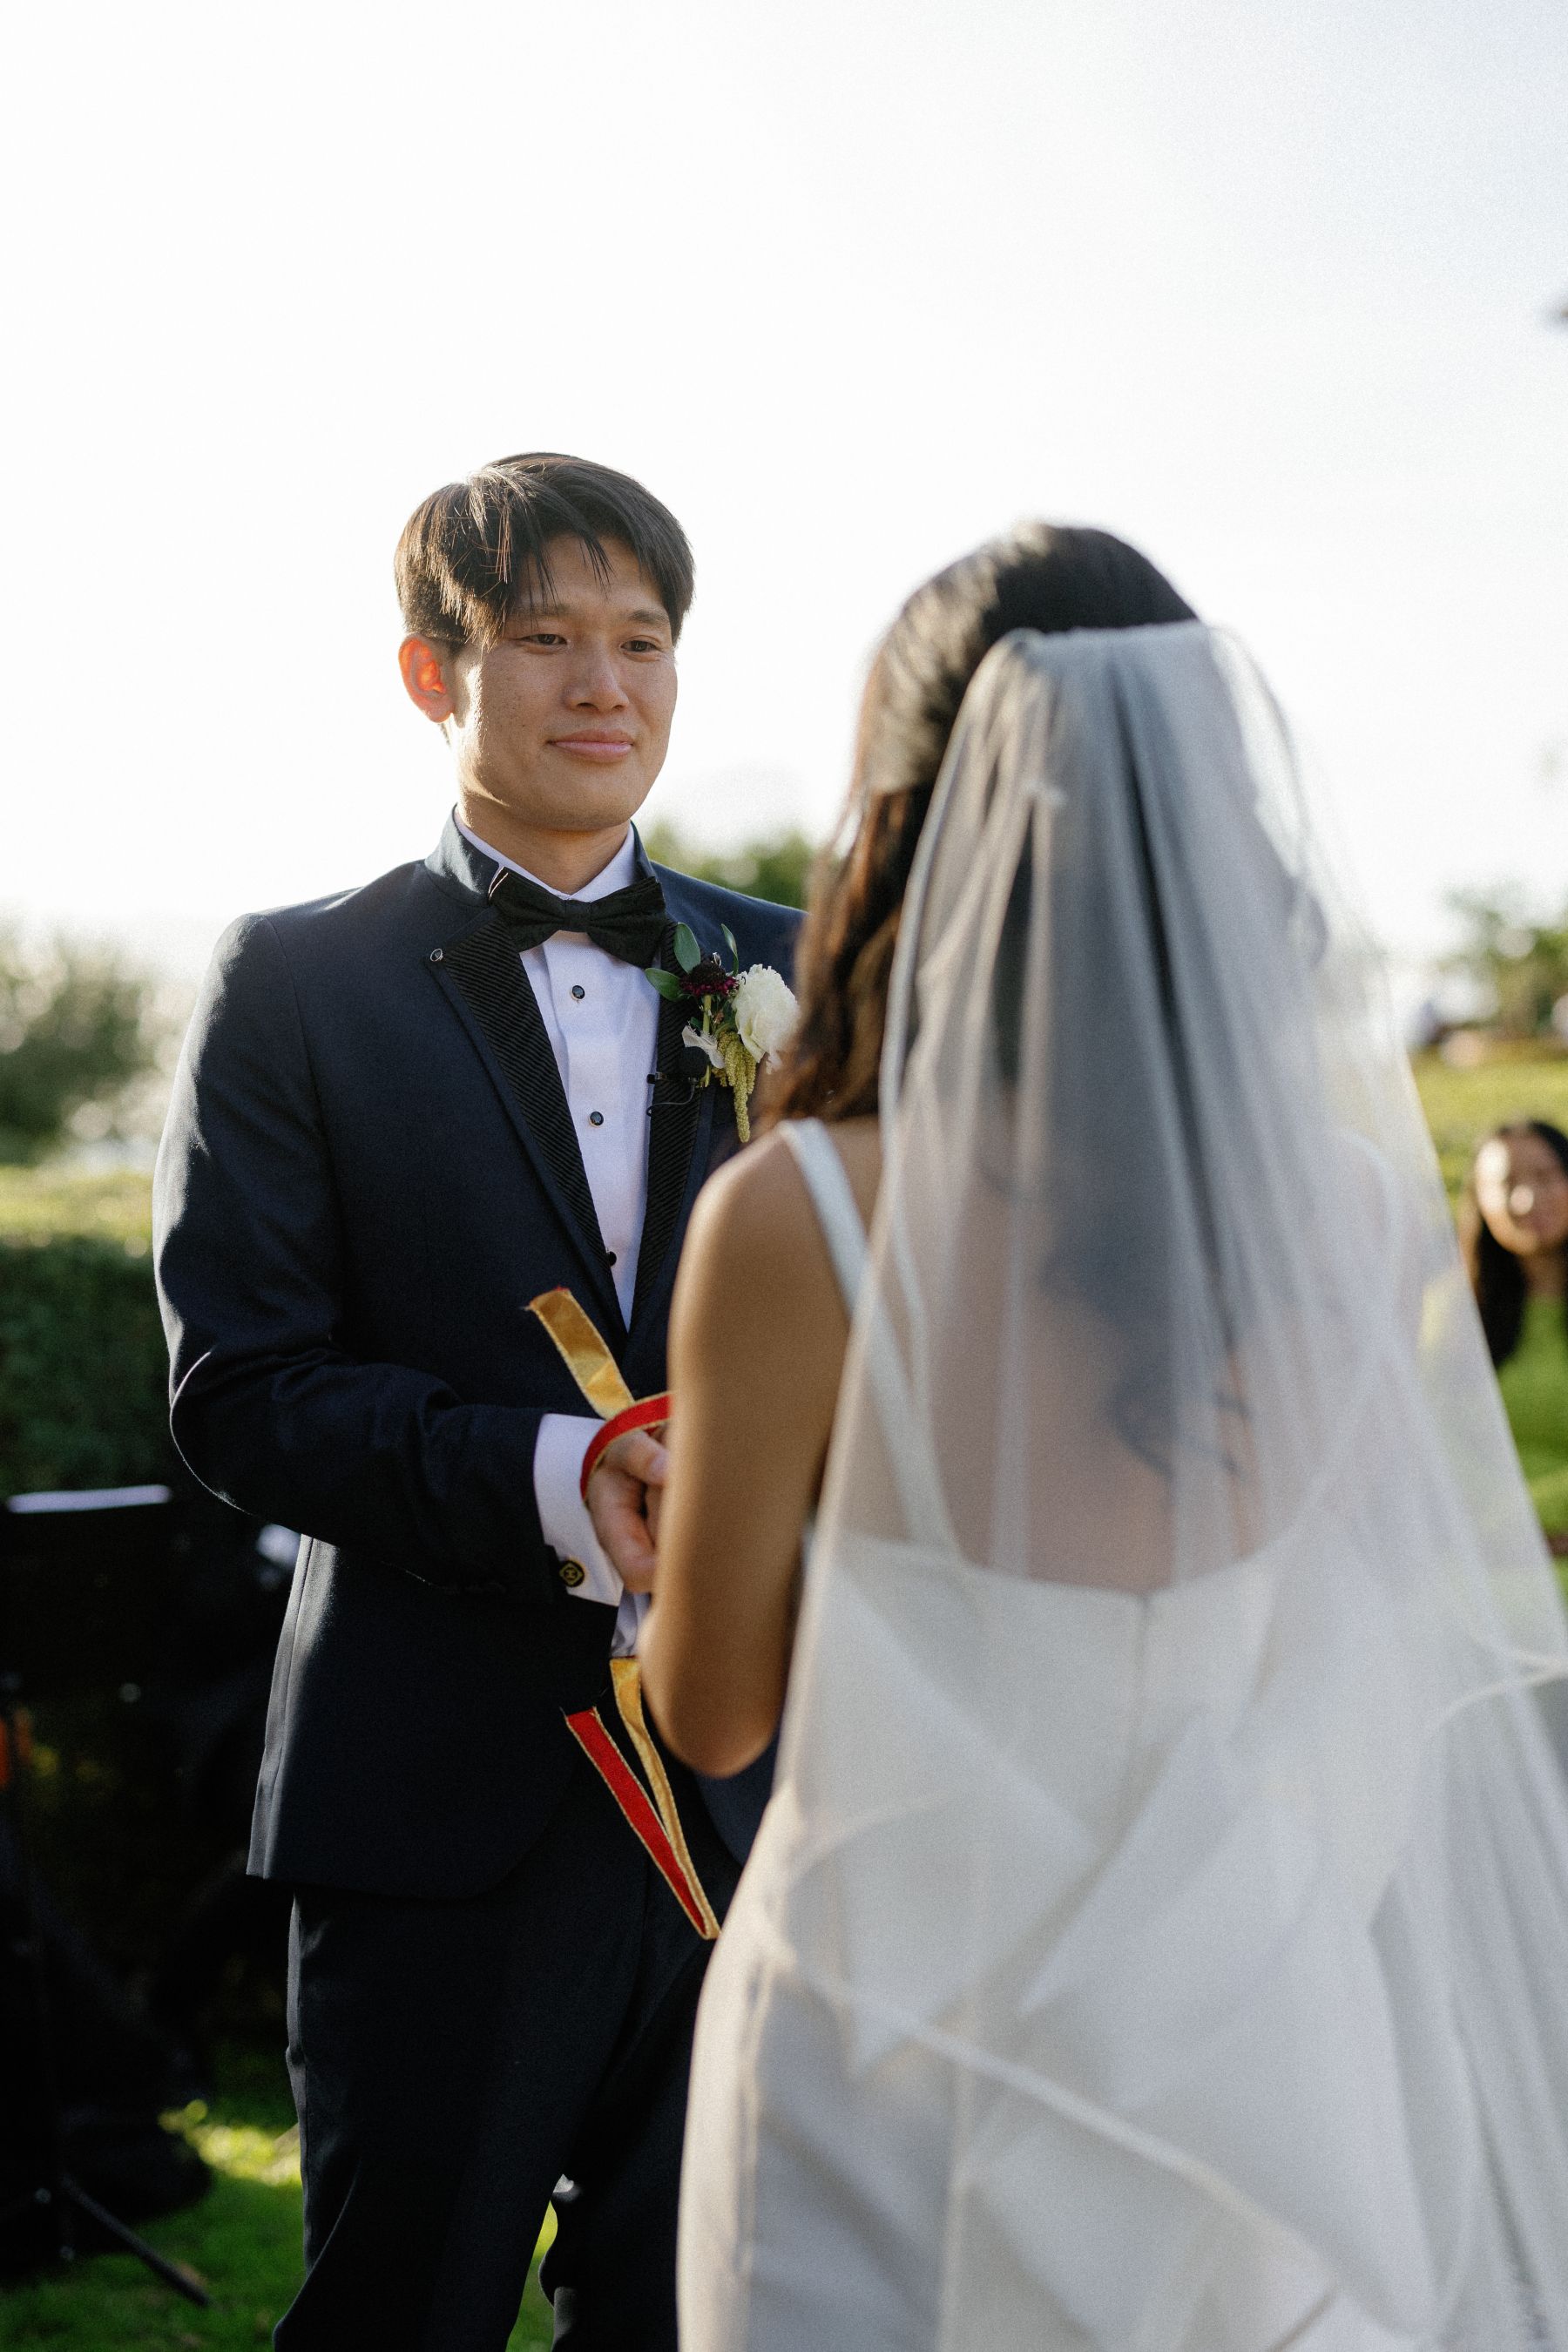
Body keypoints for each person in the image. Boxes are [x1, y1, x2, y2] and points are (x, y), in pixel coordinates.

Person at [640, 526, 1568, 2349]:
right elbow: (1331, 1639)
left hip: (873, 2056)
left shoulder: (802, 1219)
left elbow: (716, 1711)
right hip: (1239, 2061)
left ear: (908, 818)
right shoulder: (1360, 1220)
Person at [152, 452, 799, 2351]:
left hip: (761, 1790)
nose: (605, 683)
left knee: (710, 2316)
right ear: (435, 674)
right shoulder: (295, 982)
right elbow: (240, 1389)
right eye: (545, 638)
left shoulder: (785, 968)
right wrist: (547, 1473)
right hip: (433, 1798)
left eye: (643, 639)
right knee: (397, 2316)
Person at [1463, 1119, 1568, 1544]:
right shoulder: (1452, 1320)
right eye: (1507, 1184)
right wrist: (1510, 1534)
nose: (1527, 1200)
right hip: (1487, 1556)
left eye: (1546, 1178)